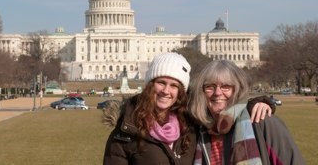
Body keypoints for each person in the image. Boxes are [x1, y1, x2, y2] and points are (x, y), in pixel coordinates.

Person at [103, 53, 273, 165]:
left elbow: (224, 109)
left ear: (181, 92)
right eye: (161, 82)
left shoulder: (192, 123)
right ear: (149, 86)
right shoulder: (125, 133)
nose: (166, 91)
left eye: (174, 85)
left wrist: (254, 103)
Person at [188, 60, 305, 165]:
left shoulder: (263, 122)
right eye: (210, 86)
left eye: (226, 86)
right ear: (201, 91)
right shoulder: (198, 131)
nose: (217, 92)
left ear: (237, 90)